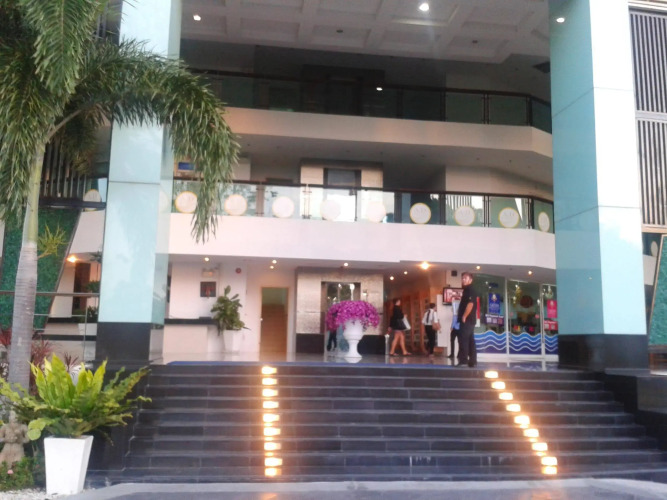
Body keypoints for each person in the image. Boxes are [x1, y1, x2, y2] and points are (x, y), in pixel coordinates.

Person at [457, 272, 478, 367]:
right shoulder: (466, 290)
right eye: (462, 278)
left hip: (467, 320)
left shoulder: (470, 290)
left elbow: (470, 304)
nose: (463, 280)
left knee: (463, 340)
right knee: (470, 340)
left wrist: (464, 316)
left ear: (470, 280)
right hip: (470, 320)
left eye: (465, 278)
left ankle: (463, 361)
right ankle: (472, 361)